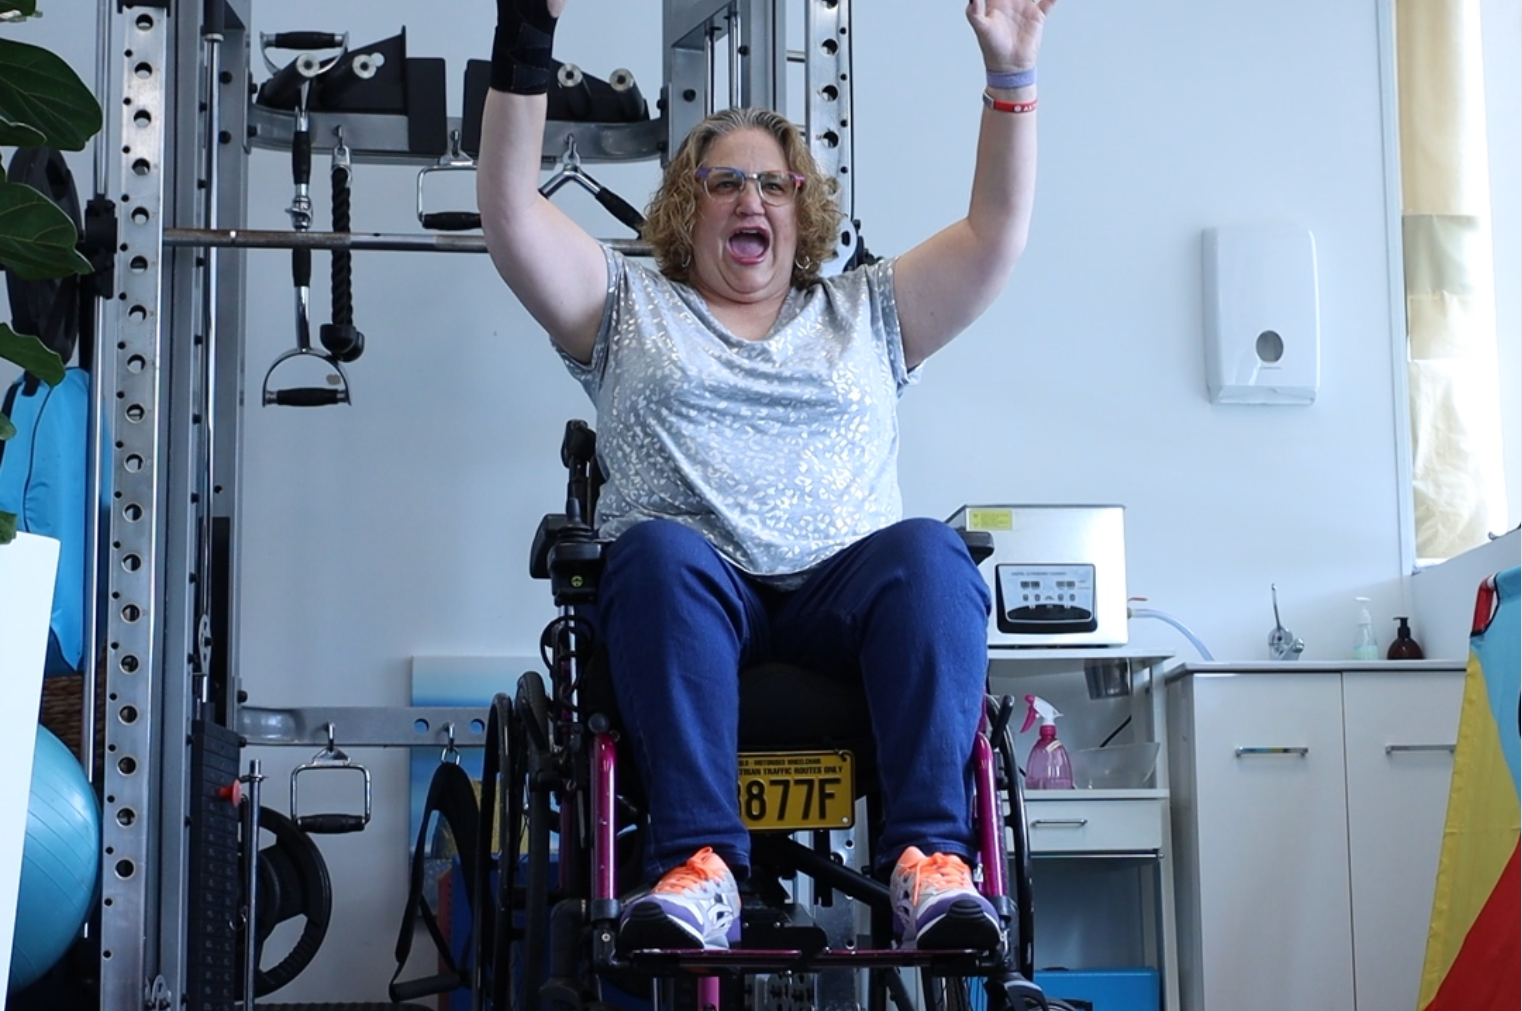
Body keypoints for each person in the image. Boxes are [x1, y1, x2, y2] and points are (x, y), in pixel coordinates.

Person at [479, 0, 1055, 954]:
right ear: (685, 206)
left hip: (844, 599)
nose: (752, 201)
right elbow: (508, 209)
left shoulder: (868, 310)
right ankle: (702, 865)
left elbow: (995, 234)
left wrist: (1012, 74)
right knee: (657, 552)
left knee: (930, 551)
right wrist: (528, 27)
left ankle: (928, 866)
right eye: (725, 182)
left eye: (775, 185)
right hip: (693, 597)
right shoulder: (626, 305)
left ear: (802, 208)